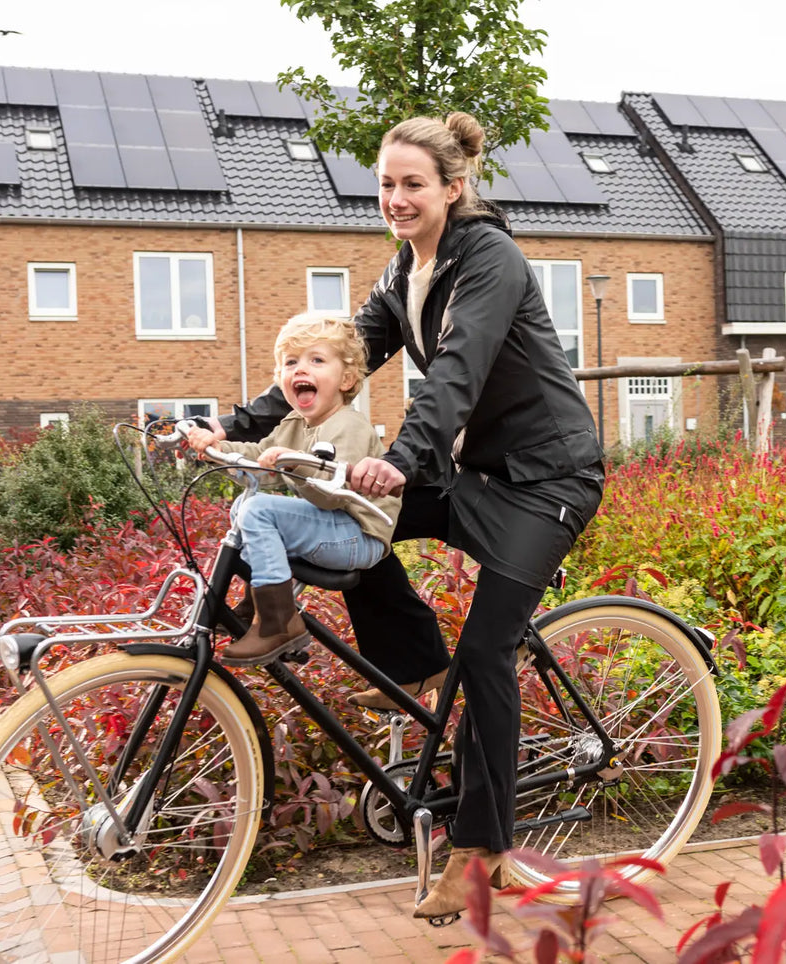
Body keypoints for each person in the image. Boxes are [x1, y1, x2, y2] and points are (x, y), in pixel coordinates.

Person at [201, 111, 604, 919]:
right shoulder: (403, 272)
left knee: (486, 652)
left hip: (548, 478)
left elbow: (454, 374)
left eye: (412, 184)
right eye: (385, 184)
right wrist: (234, 427)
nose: (395, 197)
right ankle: (416, 668)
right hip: (478, 475)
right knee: (355, 516)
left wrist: (404, 457)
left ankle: (480, 853)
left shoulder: (488, 259)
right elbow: (339, 356)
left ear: (453, 190)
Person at [186, 314, 400, 666]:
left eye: (316, 360)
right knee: (245, 504)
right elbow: (261, 464)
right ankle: (262, 604)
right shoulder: (295, 423)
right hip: (333, 526)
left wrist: (295, 461)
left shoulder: (348, 424)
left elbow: (330, 493)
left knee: (259, 511)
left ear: (346, 379)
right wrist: (216, 449)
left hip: (358, 534)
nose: (301, 369)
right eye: (291, 362)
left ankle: (279, 621)